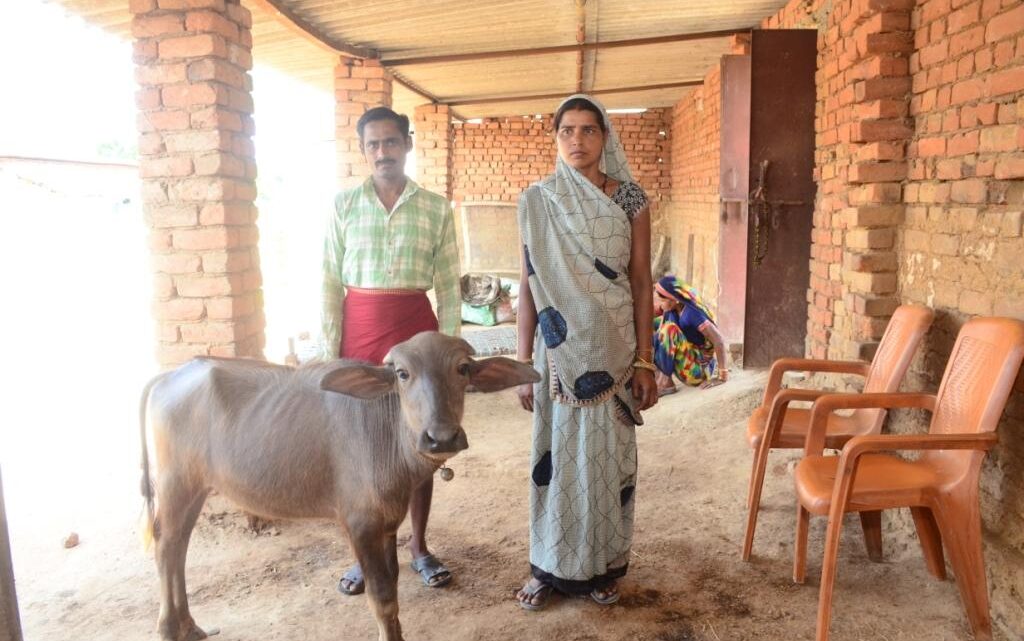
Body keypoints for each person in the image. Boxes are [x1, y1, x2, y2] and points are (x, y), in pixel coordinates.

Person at [514, 94, 658, 611]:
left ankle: (602, 566)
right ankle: (548, 567)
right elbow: (529, 285)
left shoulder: (630, 200)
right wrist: (522, 366)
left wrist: (646, 359)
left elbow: (641, 282)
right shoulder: (538, 200)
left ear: (605, 138)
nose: (578, 140)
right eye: (567, 131)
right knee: (555, 461)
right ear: (557, 139)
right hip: (558, 357)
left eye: (589, 130)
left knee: (605, 464)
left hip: (616, 352)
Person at [320, 106, 460, 595]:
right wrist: (329, 349)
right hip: (358, 333)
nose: (383, 152)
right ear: (364, 151)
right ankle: (365, 554)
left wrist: (450, 358)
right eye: (373, 144)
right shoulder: (343, 205)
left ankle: (419, 548)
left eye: (391, 142)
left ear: (407, 144)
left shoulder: (436, 207)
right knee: (357, 448)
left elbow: (448, 285)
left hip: (417, 339)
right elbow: (328, 280)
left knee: (421, 443)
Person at [651, 275, 729, 394]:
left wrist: (722, 377)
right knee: (647, 325)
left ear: (675, 299)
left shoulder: (692, 313)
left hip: (697, 371)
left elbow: (719, 340)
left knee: (669, 329)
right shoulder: (674, 308)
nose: (660, 304)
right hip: (689, 357)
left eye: (662, 300)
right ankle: (661, 377)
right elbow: (650, 314)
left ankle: (664, 382)